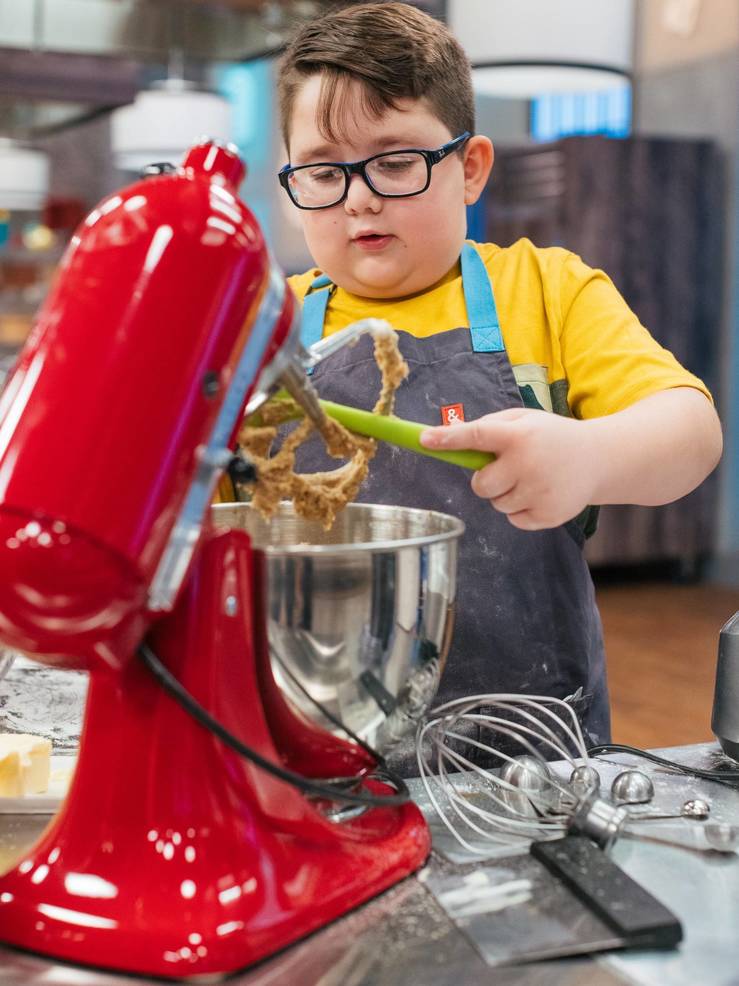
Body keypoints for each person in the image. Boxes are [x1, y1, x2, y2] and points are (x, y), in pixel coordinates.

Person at [273, 1, 723, 770]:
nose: (358, 197)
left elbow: (689, 433)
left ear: (470, 167)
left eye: (394, 161)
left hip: (530, 753)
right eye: (323, 170)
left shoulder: (544, 289)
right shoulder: (262, 328)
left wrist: (589, 454)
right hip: (312, 745)